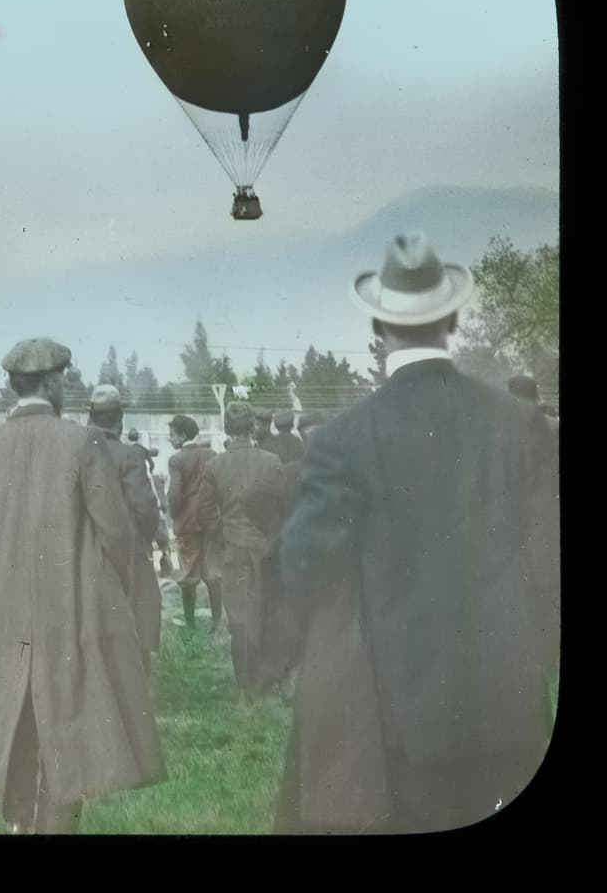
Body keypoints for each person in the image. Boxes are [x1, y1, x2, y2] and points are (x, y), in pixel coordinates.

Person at [274, 232, 560, 834]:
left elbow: (300, 564)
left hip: (398, 717)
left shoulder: (344, 439)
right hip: (512, 709)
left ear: (379, 328)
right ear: (452, 319)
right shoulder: (522, 424)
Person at [0, 338, 164, 834]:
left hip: (5, 615)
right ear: (52, 383)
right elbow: (116, 531)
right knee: (67, 726)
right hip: (70, 611)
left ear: (14, 385)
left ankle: (20, 824)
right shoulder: (83, 442)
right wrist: (120, 601)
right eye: (62, 379)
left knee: (16, 722)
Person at [197, 401, 285, 702]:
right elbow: (281, 506)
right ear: (252, 427)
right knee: (270, 613)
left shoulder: (215, 466)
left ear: (226, 429)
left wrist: (222, 536)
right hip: (266, 548)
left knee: (239, 621)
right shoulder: (271, 461)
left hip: (234, 549)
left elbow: (204, 512)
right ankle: (274, 680)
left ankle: (246, 689)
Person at [88, 386, 165, 676]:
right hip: (128, 552)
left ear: (90, 418)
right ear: (119, 420)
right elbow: (145, 508)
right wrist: (145, 538)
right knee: (138, 619)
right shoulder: (129, 455)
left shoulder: (76, 454)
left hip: (86, 553)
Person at [167, 413, 222, 631]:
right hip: (211, 521)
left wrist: (175, 515)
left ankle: (190, 625)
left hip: (188, 522)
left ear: (182, 436)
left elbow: (174, 494)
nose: (170, 439)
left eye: (172, 435)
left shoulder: (176, 460)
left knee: (188, 575)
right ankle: (216, 621)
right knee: (213, 573)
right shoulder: (212, 455)